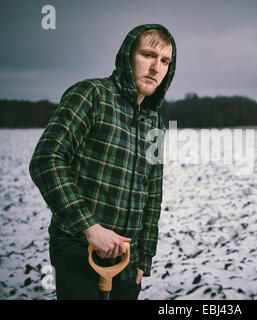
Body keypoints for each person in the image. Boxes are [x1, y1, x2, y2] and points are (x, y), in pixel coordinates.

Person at [29, 24, 176, 300]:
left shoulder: (156, 123)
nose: (156, 67)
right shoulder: (91, 95)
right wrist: (91, 228)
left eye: (165, 61)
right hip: (78, 248)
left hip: (127, 262)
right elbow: (46, 159)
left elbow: (153, 194)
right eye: (148, 55)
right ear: (127, 56)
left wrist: (144, 259)